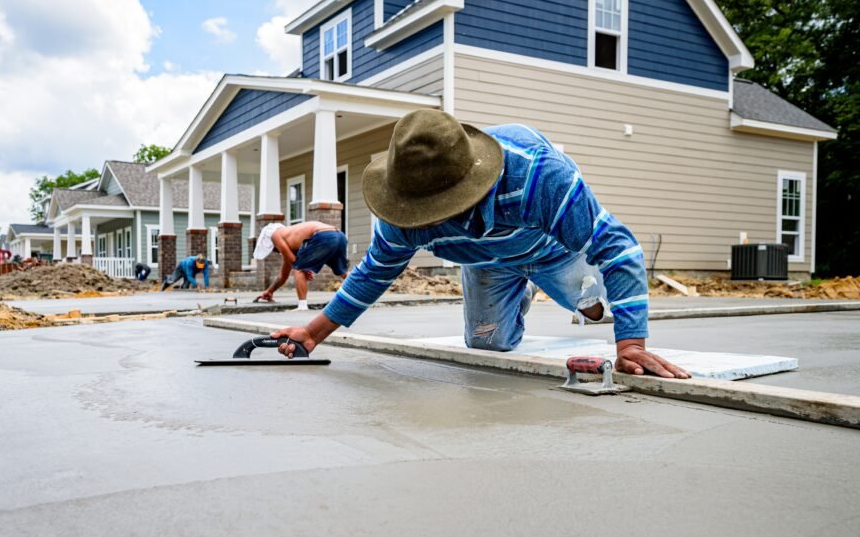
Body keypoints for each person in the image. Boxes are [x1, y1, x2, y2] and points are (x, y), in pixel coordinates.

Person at [272, 109, 690, 379]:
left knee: (598, 311)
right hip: (488, 264)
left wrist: (631, 345)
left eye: (440, 211)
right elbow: (372, 274)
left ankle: (557, 288)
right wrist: (312, 333)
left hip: (553, 250)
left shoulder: (538, 177)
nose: (426, 224)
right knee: (488, 343)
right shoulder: (401, 207)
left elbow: (619, 248)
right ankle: (519, 289)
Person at [254, 221, 350, 311]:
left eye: (273, 249)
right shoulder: (292, 237)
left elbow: (294, 262)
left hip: (322, 235)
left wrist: (304, 269)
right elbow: (283, 275)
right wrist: (270, 291)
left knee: (298, 269)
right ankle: (362, 292)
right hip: (339, 235)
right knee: (343, 272)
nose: (276, 251)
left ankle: (302, 306)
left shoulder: (275, 235)